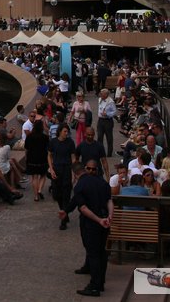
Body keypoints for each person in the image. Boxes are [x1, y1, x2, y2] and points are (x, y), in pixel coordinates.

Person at [60, 159, 113, 297]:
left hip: (91, 224)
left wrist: (98, 220)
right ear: (84, 169)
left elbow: (83, 208)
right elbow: (109, 201)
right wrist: (109, 218)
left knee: (93, 254)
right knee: (101, 253)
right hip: (105, 222)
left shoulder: (80, 186)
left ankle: (94, 286)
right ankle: (100, 283)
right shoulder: (102, 183)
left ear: (75, 173)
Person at [49, 123, 77, 229]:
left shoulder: (70, 143)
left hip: (66, 170)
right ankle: (64, 211)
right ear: (60, 131)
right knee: (57, 194)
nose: (66, 133)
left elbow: (73, 157)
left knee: (66, 194)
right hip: (56, 169)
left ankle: (63, 219)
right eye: (64, 131)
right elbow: (49, 155)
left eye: (67, 132)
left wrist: (74, 171)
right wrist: (51, 168)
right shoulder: (53, 142)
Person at [24, 118, 50, 202]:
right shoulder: (45, 137)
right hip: (42, 158)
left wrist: (26, 157)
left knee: (34, 177)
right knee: (43, 175)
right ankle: (39, 190)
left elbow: (26, 149)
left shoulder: (29, 137)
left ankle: (35, 196)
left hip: (32, 158)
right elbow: (48, 148)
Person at [96, 88, 116, 158]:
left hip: (108, 121)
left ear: (106, 94)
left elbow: (114, 112)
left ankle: (109, 153)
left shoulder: (111, 102)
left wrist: (107, 114)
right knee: (99, 136)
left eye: (102, 93)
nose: (100, 95)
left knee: (109, 137)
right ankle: (100, 152)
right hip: (100, 120)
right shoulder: (100, 99)